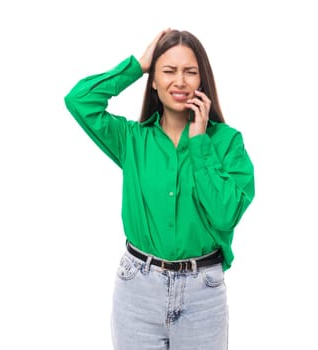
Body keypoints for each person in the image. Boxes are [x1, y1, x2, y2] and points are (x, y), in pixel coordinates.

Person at [64, 28, 255, 350]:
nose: (179, 81)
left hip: (203, 293)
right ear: (153, 81)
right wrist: (137, 65)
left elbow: (225, 215)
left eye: (190, 72)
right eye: (168, 71)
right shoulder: (132, 140)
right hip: (137, 289)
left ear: (202, 80)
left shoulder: (227, 143)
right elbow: (79, 100)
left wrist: (199, 142)